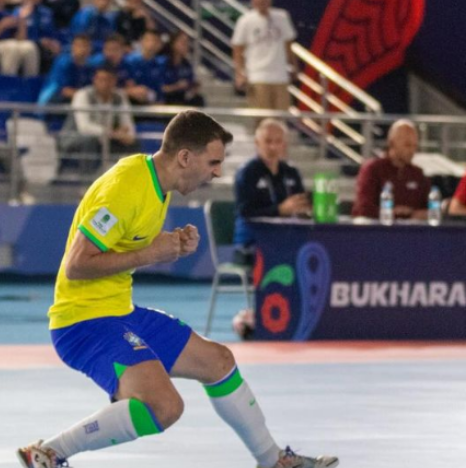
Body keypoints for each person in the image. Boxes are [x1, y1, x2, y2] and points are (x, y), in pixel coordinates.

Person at [15, 110, 338, 468]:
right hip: (82, 322)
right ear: (185, 157)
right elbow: (76, 266)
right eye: (213, 162)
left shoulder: (157, 185)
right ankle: (48, 453)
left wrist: (169, 243)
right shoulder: (125, 186)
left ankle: (273, 461)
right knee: (165, 407)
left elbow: (125, 243)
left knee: (219, 361)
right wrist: (152, 251)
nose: (217, 172)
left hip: (119, 312)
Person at [233, 118, 308, 266]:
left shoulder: (291, 172)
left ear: (284, 145)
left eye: (278, 141)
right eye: (267, 141)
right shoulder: (247, 172)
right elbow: (245, 211)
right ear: (257, 143)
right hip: (252, 241)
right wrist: (279, 210)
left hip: (285, 237)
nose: (272, 147)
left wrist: (305, 210)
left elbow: (301, 205)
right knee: (288, 253)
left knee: (318, 247)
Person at [57, 66, 140, 174]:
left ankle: (132, 181)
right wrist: (112, 133)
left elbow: (128, 123)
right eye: (101, 79)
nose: (105, 84)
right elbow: (84, 127)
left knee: (134, 143)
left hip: (106, 138)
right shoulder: (83, 95)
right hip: (75, 138)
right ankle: (87, 182)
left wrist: (128, 136)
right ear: (94, 80)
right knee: (90, 140)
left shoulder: (119, 97)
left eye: (109, 80)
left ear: (114, 81)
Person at [352, 119, 430, 220]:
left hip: (411, 232)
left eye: (415, 146)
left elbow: (429, 208)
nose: (412, 151)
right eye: (407, 145)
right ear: (392, 143)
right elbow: (362, 209)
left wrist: (422, 214)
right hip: (378, 232)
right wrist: (393, 213)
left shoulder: (418, 174)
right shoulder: (373, 169)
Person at [231, 0, 298, 112]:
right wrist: (239, 74)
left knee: (282, 118)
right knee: (261, 119)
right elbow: (237, 49)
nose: (262, 2)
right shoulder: (245, 21)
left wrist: (294, 66)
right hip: (257, 77)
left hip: (280, 76)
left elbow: (288, 45)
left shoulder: (282, 16)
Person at [37, 33, 94, 105]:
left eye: (86, 46)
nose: (82, 49)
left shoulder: (90, 67)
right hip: (52, 100)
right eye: (79, 45)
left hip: (77, 99)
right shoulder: (64, 63)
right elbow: (65, 91)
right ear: (73, 47)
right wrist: (86, 97)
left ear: (90, 49)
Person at [162, 31, 205, 106]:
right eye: (183, 42)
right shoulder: (162, 62)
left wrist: (193, 87)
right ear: (173, 43)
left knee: (199, 99)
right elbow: (158, 88)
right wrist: (176, 87)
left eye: (187, 43)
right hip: (166, 99)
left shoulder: (186, 65)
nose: (186, 46)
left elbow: (190, 83)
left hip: (182, 98)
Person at [124, 29, 164, 104]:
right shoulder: (129, 61)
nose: (151, 44)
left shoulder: (160, 65)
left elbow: (159, 91)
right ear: (142, 41)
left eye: (155, 41)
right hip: (131, 104)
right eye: (148, 40)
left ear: (160, 45)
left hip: (153, 106)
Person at [0, 0, 39, 76]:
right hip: (6, 45)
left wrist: (22, 20)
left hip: (9, 44)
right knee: (12, 46)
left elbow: (21, 39)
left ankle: (31, 82)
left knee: (29, 46)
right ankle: (8, 82)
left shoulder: (8, 14)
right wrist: (2, 26)